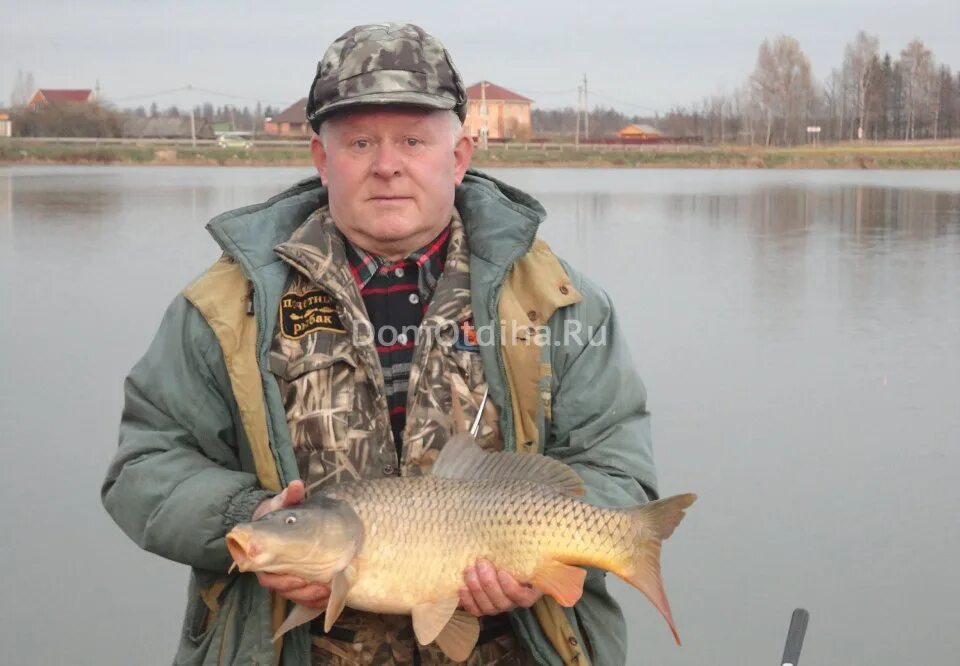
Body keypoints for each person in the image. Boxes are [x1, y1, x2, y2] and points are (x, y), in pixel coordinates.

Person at [102, 22, 658, 666]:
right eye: (360, 141)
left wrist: (535, 558)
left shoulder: (561, 302)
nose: (387, 165)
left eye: (413, 141)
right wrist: (253, 516)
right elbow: (142, 469)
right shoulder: (227, 308)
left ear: (458, 156)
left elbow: (617, 469)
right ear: (320, 158)